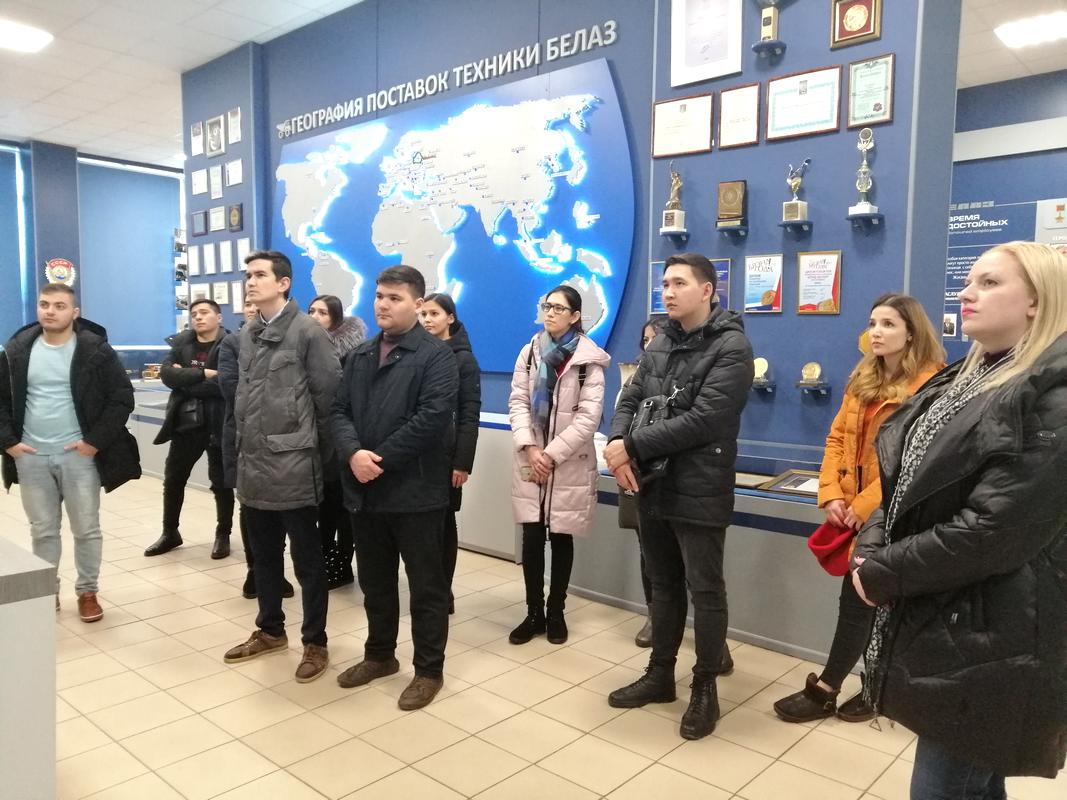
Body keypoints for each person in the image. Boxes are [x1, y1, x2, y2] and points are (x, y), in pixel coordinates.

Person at [852, 241, 1067, 797]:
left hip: (996, 632)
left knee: (946, 786)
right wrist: (871, 543)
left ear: (1037, 301)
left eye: (989, 283)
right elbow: (905, 483)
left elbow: (994, 529)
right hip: (953, 616)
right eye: (969, 281)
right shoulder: (967, 378)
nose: (966, 293)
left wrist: (883, 571)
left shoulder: (1053, 393)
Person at [773, 294, 943, 724]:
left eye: (888, 324)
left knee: (863, 598)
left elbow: (916, 460)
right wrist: (831, 493)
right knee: (866, 600)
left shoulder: (930, 385)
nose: (877, 332)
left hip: (895, 513)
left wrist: (864, 505)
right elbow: (836, 440)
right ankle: (872, 687)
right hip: (851, 508)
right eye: (873, 323)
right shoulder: (863, 378)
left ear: (911, 333)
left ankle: (830, 689)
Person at [605, 252, 753, 741]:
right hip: (654, 483)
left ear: (708, 290)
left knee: (705, 590)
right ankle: (659, 675)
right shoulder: (661, 340)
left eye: (679, 283)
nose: (667, 292)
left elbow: (704, 420)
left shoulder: (732, 346)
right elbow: (630, 397)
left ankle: (705, 686)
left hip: (700, 484)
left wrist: (630, 447)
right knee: (663, 584)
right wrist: (617, 441)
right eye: (665, 283)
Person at [332, 265, 459, 711]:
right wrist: (353, 453)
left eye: (395, 298)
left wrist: (376, 461)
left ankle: (429, 670)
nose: (383, 305)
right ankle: (380, 656)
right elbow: (338, 411)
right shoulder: (361, 355)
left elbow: (431, 419)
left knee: (426, 588)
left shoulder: (437, 356)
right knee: (375, 582)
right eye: (379, 296)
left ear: (418, 304)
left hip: (417, 493)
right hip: (366, 493)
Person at [222, 251, 341, 684]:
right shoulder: (248, 333)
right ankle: (271, 630)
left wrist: (320, 460)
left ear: (284, 283)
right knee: (264, 558)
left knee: (308, 562)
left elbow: (329, 400)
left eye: (259, 275)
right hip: (253, 464)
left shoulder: (308, 332)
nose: (250, 282)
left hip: (294, 465)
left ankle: (315, 641)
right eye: (248, 275)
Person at [0, 283, 140, 622]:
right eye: (44, 304)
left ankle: (87, 591)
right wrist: (9, 443)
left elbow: (121, 398)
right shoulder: (17, 350)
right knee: (43, 530)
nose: (50, 311)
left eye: (59, 306)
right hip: (30, 456)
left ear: (74, 312)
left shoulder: (95, 350)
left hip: (79, 456)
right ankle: (47, 591)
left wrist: (94, 442)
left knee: (86, 529)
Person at [508, 284, 610, 646]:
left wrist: (550, 455)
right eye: (546, 306)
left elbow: (588, 419)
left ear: (575, 316)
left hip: (567, 462)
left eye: (558, 308)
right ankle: (533, 612)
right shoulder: (530, 353)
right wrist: (530, 447)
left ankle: (556, 612)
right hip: (531, 458)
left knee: (562, 537)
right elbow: (518, 402)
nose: (549, 313)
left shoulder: (588, 361)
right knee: (532, 537)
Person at [217, 296, 293, 600]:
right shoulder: (233, 343)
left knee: (279, 506)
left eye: (257, 304)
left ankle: (276, 571)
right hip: (242, 434)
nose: (253, 309)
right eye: (248, 304)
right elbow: (230, 386)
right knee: (249, 505)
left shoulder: (291, 338)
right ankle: (255, 570)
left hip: (281, 436)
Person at [145, 298, 233, 559]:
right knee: (174, 478)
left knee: (221, 483)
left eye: (204, 312)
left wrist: (185, 379)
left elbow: (227, 382)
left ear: (218, 317)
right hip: (186, 423)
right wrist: (205, 374)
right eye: (194, 314)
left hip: (219, 422)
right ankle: (170, 532)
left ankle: (223, 534)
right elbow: (167, 375)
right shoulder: (181, 343)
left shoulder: (230, 344)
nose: (198, 317)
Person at [420, 292, 481, 614]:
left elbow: (470, 413)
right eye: (424, 314)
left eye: (434, 314)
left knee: (443, 525)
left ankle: (444, 592)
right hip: (418, 455)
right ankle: (426, 588)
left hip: (447, 457)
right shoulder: (418, 352)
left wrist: (462, 462)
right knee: (420, 527)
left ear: (450, 318)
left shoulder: (463, 360)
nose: (427, 320)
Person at [307, 294, 366, 589]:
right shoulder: (305, 348)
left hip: (342, 438)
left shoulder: (351, 354)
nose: (315, 317)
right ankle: (324, 560)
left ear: (336, 318)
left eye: (323, 313)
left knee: (341, 506)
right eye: (311, 311)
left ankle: (341, 564)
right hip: (313, 437)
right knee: (322, 506)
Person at [617, 316, 669, 649]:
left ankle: (712, 638)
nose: (649, 345)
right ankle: (655, 616)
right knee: (648, 551)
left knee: (690, 559)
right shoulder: (636, 375)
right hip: (640, 472)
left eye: (655, 338)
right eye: (645, 339)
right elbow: (622, 412)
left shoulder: (685, 372)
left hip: (678, 476)